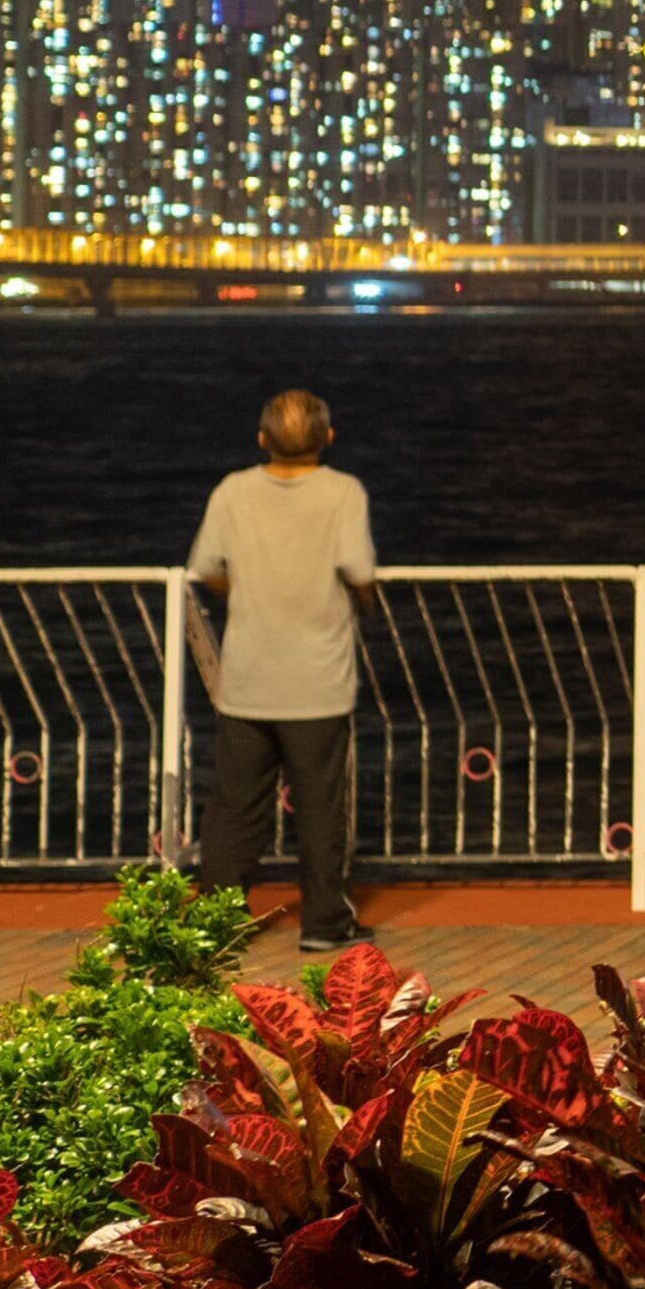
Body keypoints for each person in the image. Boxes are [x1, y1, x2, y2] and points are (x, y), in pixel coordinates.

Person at [191, 389, 380, 950]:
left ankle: (216, 928)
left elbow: (207, 568)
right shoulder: (342, 492)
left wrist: (246, 597)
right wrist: (360, 605)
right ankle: (323, 924)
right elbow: (359, 571)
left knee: (234, 807)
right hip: (318, 682)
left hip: (247, 678)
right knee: (322, 808)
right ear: (327, 438)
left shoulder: (232, 490)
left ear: (261, 440)